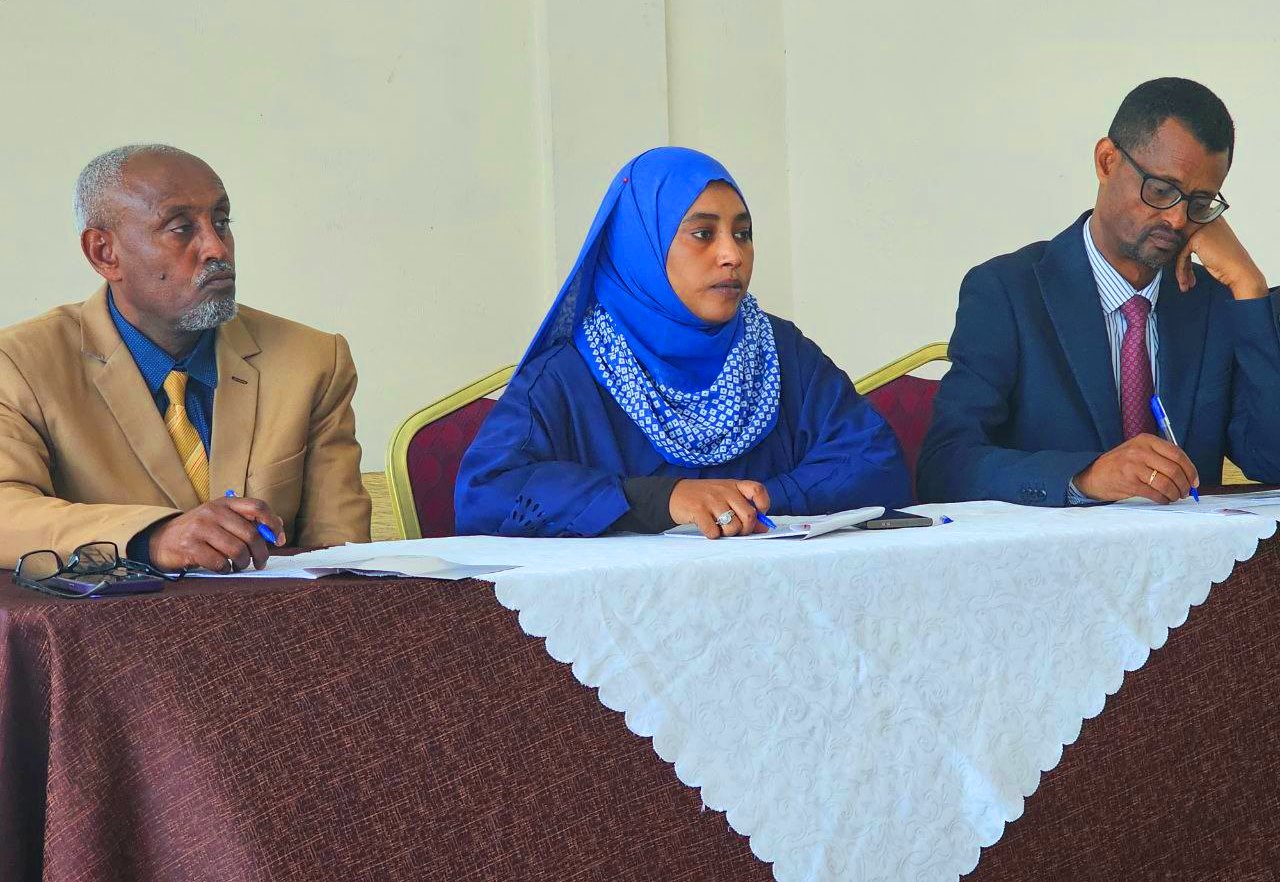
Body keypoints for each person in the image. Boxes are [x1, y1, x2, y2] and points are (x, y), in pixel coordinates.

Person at [456, 147, 909, 539]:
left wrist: (763, 499)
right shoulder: (567, 375)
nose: (732, 255)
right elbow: (486, 494)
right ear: (640, 245)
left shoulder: (779, 351)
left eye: (743, 234)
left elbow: (875, 461)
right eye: (704, 234)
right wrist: (662, 500)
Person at [0, 144, 371, 572]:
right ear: (104, 253)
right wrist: (151, 536)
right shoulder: (21, 365)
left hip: (273, 613)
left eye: (221, 221)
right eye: (181, 228)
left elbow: (343, 557)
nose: (217, 249)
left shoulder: (313, 361)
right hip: (116, 614)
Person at [918, 78, 1280, 507]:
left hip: (1191, 550)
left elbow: (1271, 460)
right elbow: (945, 466)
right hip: (1053, 547)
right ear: (1107, 161)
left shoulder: (1215, 303)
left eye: (1200, 204)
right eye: (1161, 191)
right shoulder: (1008, 292)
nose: (1178, 220)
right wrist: (1084, 477)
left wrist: (1250, 287)